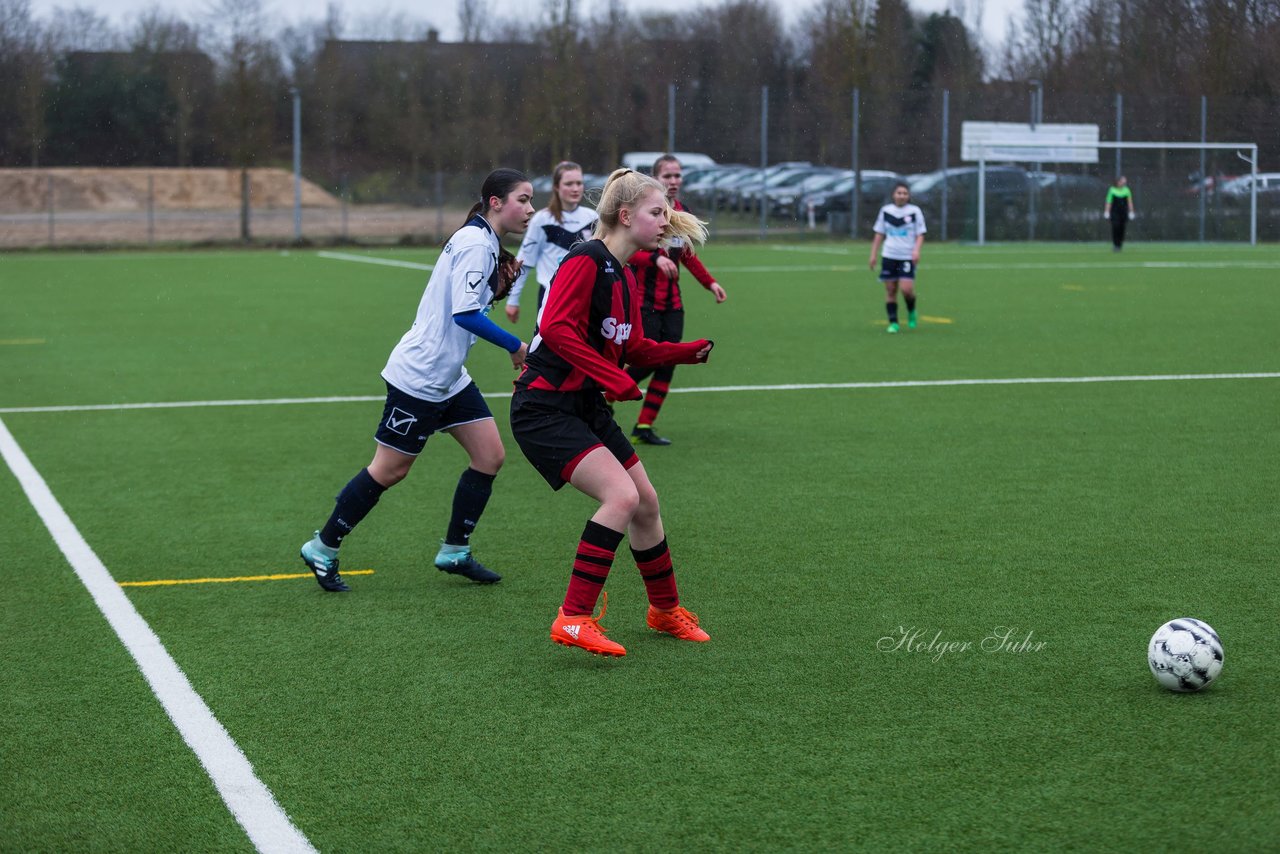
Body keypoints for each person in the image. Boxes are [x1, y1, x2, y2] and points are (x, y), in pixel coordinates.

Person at [510, 168, 715, 657]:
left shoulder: (622, 274)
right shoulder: (585, 259)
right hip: (544, 408)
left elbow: (635, 345)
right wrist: (611, 377)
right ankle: (573, 618)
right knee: (620, 498)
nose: (666, 221)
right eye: (656, 211)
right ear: (625, 216)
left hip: (583, 406)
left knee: (646, 502)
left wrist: (684, 351)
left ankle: (664, 611)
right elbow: (558, 328)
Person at [299, 169, 534, 592]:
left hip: (450, 377)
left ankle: (455, 550)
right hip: (421, 377)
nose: (530, 209)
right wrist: (516, 346)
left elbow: (463, 304)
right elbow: (463, 315)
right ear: (496, 202)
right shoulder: (476, 243)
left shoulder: (483, 241)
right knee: (389, 470)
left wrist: (496, 289)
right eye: (523, 199)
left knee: (489, 456)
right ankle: (323, 546)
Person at [621, 153, 727, 446]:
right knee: (647, 359)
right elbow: (627, 249)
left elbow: (688, 255)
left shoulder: (681, 212)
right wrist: (654, 259)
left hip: (673, 304)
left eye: (678, 175)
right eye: (667, 176)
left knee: (669, 362)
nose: (674, 181)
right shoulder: (642, 210)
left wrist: (710, 283)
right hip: (644, 301)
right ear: (655, 179)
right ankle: (606, 395)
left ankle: (644, 426)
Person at [505, 161, 598, 325]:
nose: (575, 188)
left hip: (586, 297)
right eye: (569, 183)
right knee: (548, 348)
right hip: (551, 296)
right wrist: (513, 300)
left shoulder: (592, 218)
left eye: (579, 183)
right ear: (556, 186)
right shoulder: (542, 219)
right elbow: (524, 262)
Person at [868, 181, 926, 334]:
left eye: (905, 193)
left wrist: (916, 251)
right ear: (894, 195)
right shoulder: (886, 211)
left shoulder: (914, 211)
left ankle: (911, 310)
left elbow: (920, 234)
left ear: (908, 196)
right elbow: (879, 233)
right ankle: (893, 323)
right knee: (891, 290)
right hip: (889, 255)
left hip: (907, 255)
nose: (902, 195)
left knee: (906, 290)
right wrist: (873, 254)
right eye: (899, 193)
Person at [1105, 175, 1136, 251]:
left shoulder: (1126, 190)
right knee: (1115, 227)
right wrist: (1107, 211)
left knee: (1122, 228)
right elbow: (1109, 202)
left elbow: (1129, 202)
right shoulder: (1112, 190)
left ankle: (1119, 244)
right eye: (1122, 181)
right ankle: (1115, 244)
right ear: (1118, 182)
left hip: (1123, 212)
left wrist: (1131, 211)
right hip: (1114, 213)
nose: (1124, 182)